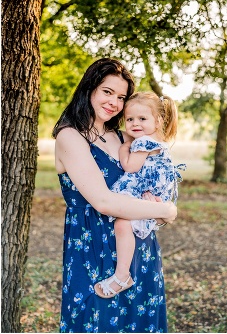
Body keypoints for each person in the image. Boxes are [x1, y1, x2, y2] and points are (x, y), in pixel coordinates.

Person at [54, 58, 177, 332]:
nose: (114, 102)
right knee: (96, 321)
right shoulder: (70, 137)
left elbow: (154, 167)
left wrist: (156, 199)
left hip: (137, 246)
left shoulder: (124, 137)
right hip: (92, 247)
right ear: (89, 89)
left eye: (121, 97)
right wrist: (167, 211)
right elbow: (103, 201)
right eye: (107, 92)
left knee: (140, 321)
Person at [94, 92, 183, 298]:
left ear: (158, 121)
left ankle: (122, 275)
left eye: (142, 119)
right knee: (125, 225)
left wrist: (125, 148)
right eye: (130, 119)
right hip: (153, 193)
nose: (135, 124)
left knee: (121, 224)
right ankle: (123, 273)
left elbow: (130, 166)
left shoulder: (142, 143)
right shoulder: (158, 141)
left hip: (143, 193)